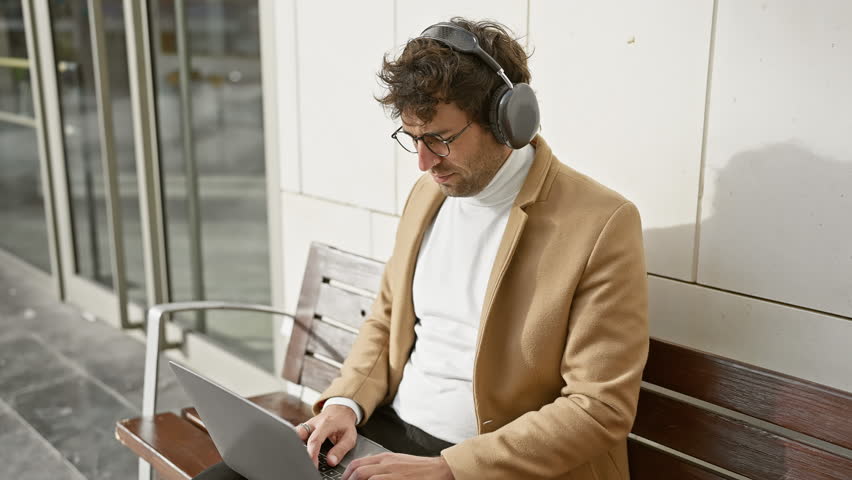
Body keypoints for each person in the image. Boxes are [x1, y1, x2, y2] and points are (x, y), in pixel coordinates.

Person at [195, 17, 648, 480]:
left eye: (439, 140)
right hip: (389, 435)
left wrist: (450, 469)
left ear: (508, 119)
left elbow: (599, 407)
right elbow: (388, 316)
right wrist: (344, 403)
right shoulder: (429, 197)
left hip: (490, 463)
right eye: (413, 139)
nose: (424, 162)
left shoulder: (599, 223)